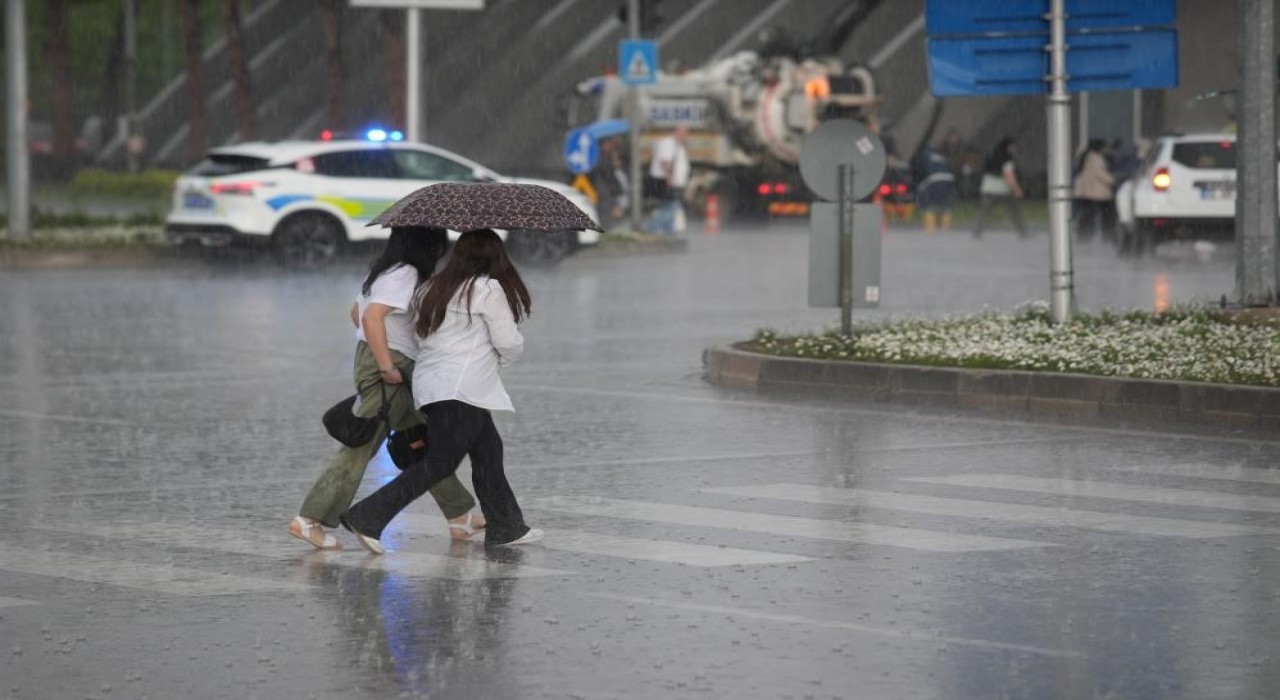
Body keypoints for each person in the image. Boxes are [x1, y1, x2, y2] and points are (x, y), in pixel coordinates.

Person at [340, 229, 544, 552]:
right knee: (439, 463)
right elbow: (507, 341)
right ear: (496, 257)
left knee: (489, 453)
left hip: (433, 385)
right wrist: (505, 356)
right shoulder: (487, 288)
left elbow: (422, 335)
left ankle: (507, 526)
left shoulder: (432, 287)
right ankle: (367, 516)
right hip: (463, 388)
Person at [288, 227, 485, 550]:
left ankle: (459, 516)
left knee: (423, 443)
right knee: (361, 446)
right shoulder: (405, 273)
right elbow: (371, 318)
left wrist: (378, 348)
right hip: (390, 369)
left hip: (388, 363)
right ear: (426, 245)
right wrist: (386, 362)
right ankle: (310, 519)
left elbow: (357, 313)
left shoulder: (383, 271)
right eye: (438, 246)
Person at [973, 137, 1028, 238]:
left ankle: (977, 232)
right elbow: (1008, 175)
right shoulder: (1007, 158)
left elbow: (985, 170)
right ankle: (1023, 232)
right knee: (1014, 211)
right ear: (1008, 147)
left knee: (984, 212)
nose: (1014, 149)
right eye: (1013, 146)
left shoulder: (991, 155)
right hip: (1002, 190)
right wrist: (1017, 189)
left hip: (988, 188)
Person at [644, 125, 690, 235]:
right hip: (664, 180)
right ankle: (650, 228)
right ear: (676, 132)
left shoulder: (677, 145)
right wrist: (670, 178)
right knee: (672, 208)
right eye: (684, 133)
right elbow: (665, 162)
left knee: (668, 206)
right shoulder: (668, 143)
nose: (686, 136)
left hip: (670, 181)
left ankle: (668, 233)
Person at [1072, 139, 1116, 242]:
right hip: (1097, 193)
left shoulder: (1087, 156)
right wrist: (1113, 180)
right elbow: (1100, 173)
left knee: (1088, 215)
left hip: (1088, 192)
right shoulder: (1096, 158)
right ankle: (1106, 235)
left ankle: (1084, 234)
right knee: (1106, 214)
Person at [912, 142, 957, 233]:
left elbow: (920, 171)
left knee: (927, 204)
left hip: (933, 180)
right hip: (949, 180)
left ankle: (930, 229)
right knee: (945, 205)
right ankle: (945, 228)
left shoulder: (924, 156)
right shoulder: (942, 157)